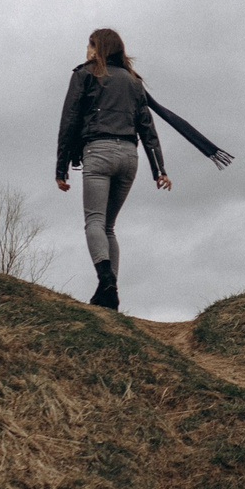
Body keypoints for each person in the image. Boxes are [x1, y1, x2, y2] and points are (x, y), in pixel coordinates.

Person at [55, 28, 234, 309]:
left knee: (95, 221)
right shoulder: (134, 82)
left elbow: (69, 120)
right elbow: (147, 128)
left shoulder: (84, 74)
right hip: (130, 157)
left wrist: (61, 168)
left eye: (90, 46)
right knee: (109, 227)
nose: (87, 51)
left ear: (98, 48)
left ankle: (106, 281)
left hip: (98, 152)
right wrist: (159, 169)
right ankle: (109, 297)